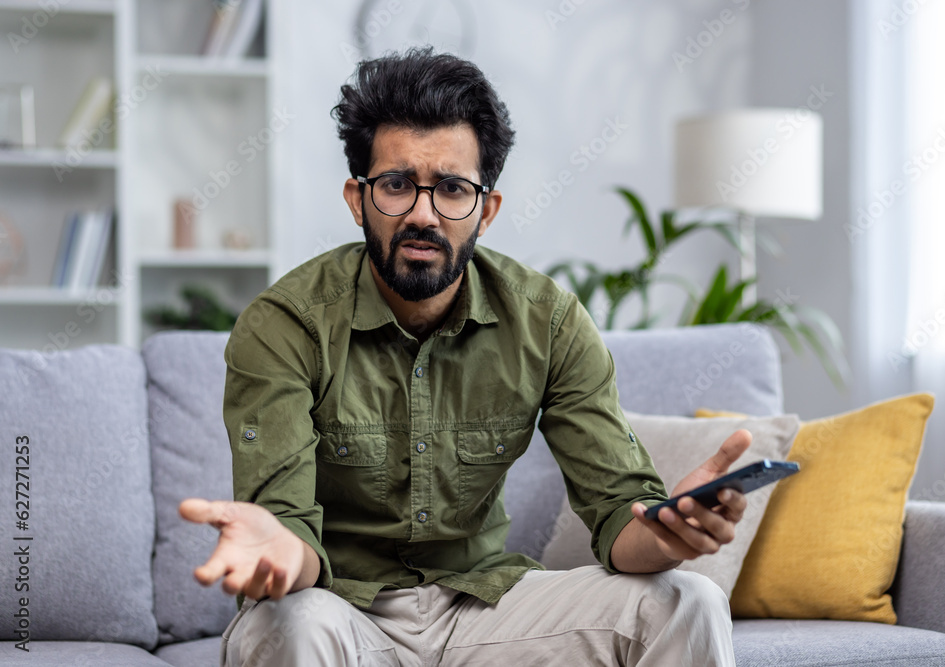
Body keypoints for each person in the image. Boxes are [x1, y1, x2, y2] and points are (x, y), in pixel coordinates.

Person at [180, 47, 750, 667]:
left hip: (486, 610)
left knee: (686, 600)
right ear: (357, 198)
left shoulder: (548, 320)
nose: (423, 214)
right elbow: (286, 527)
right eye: (396, 184)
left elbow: (620, 519)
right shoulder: (286, 323)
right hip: (337, 607)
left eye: (452, 188)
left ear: (486, 208)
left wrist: (671, 532)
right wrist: (283, 547)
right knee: (292, 623)